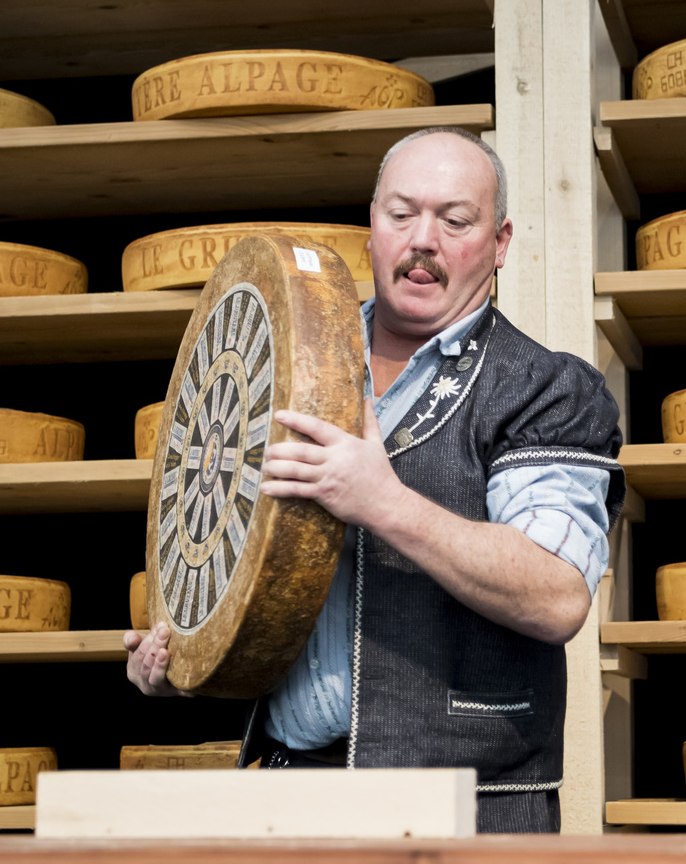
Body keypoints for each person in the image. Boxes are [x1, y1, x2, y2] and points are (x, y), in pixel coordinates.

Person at [125, 126, 625, 833]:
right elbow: (253, 585)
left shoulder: (543, 389)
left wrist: (385, 502)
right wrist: (183, 656)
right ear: (372, 226)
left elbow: (556, 594)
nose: (424, 238)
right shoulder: (283, 364)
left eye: (455, 220)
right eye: (402, 214)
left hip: (466, 816)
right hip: (288, 798)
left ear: (500, 241)